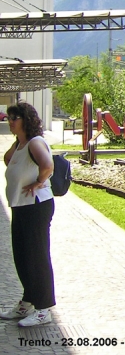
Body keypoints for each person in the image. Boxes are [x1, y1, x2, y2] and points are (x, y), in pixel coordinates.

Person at [0, 102, 55, 327]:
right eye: (9, 118)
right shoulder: (22, 144)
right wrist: (18, 140)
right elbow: (6, 159)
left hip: (35, 206)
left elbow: (47, 165)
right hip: (21, 206)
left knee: (36, 257)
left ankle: (44, 309)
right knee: (22, 257)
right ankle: (28, 300)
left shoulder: (35, 142)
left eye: (15, 118)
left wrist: (38, 182)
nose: (10, 122)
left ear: (26, 120)